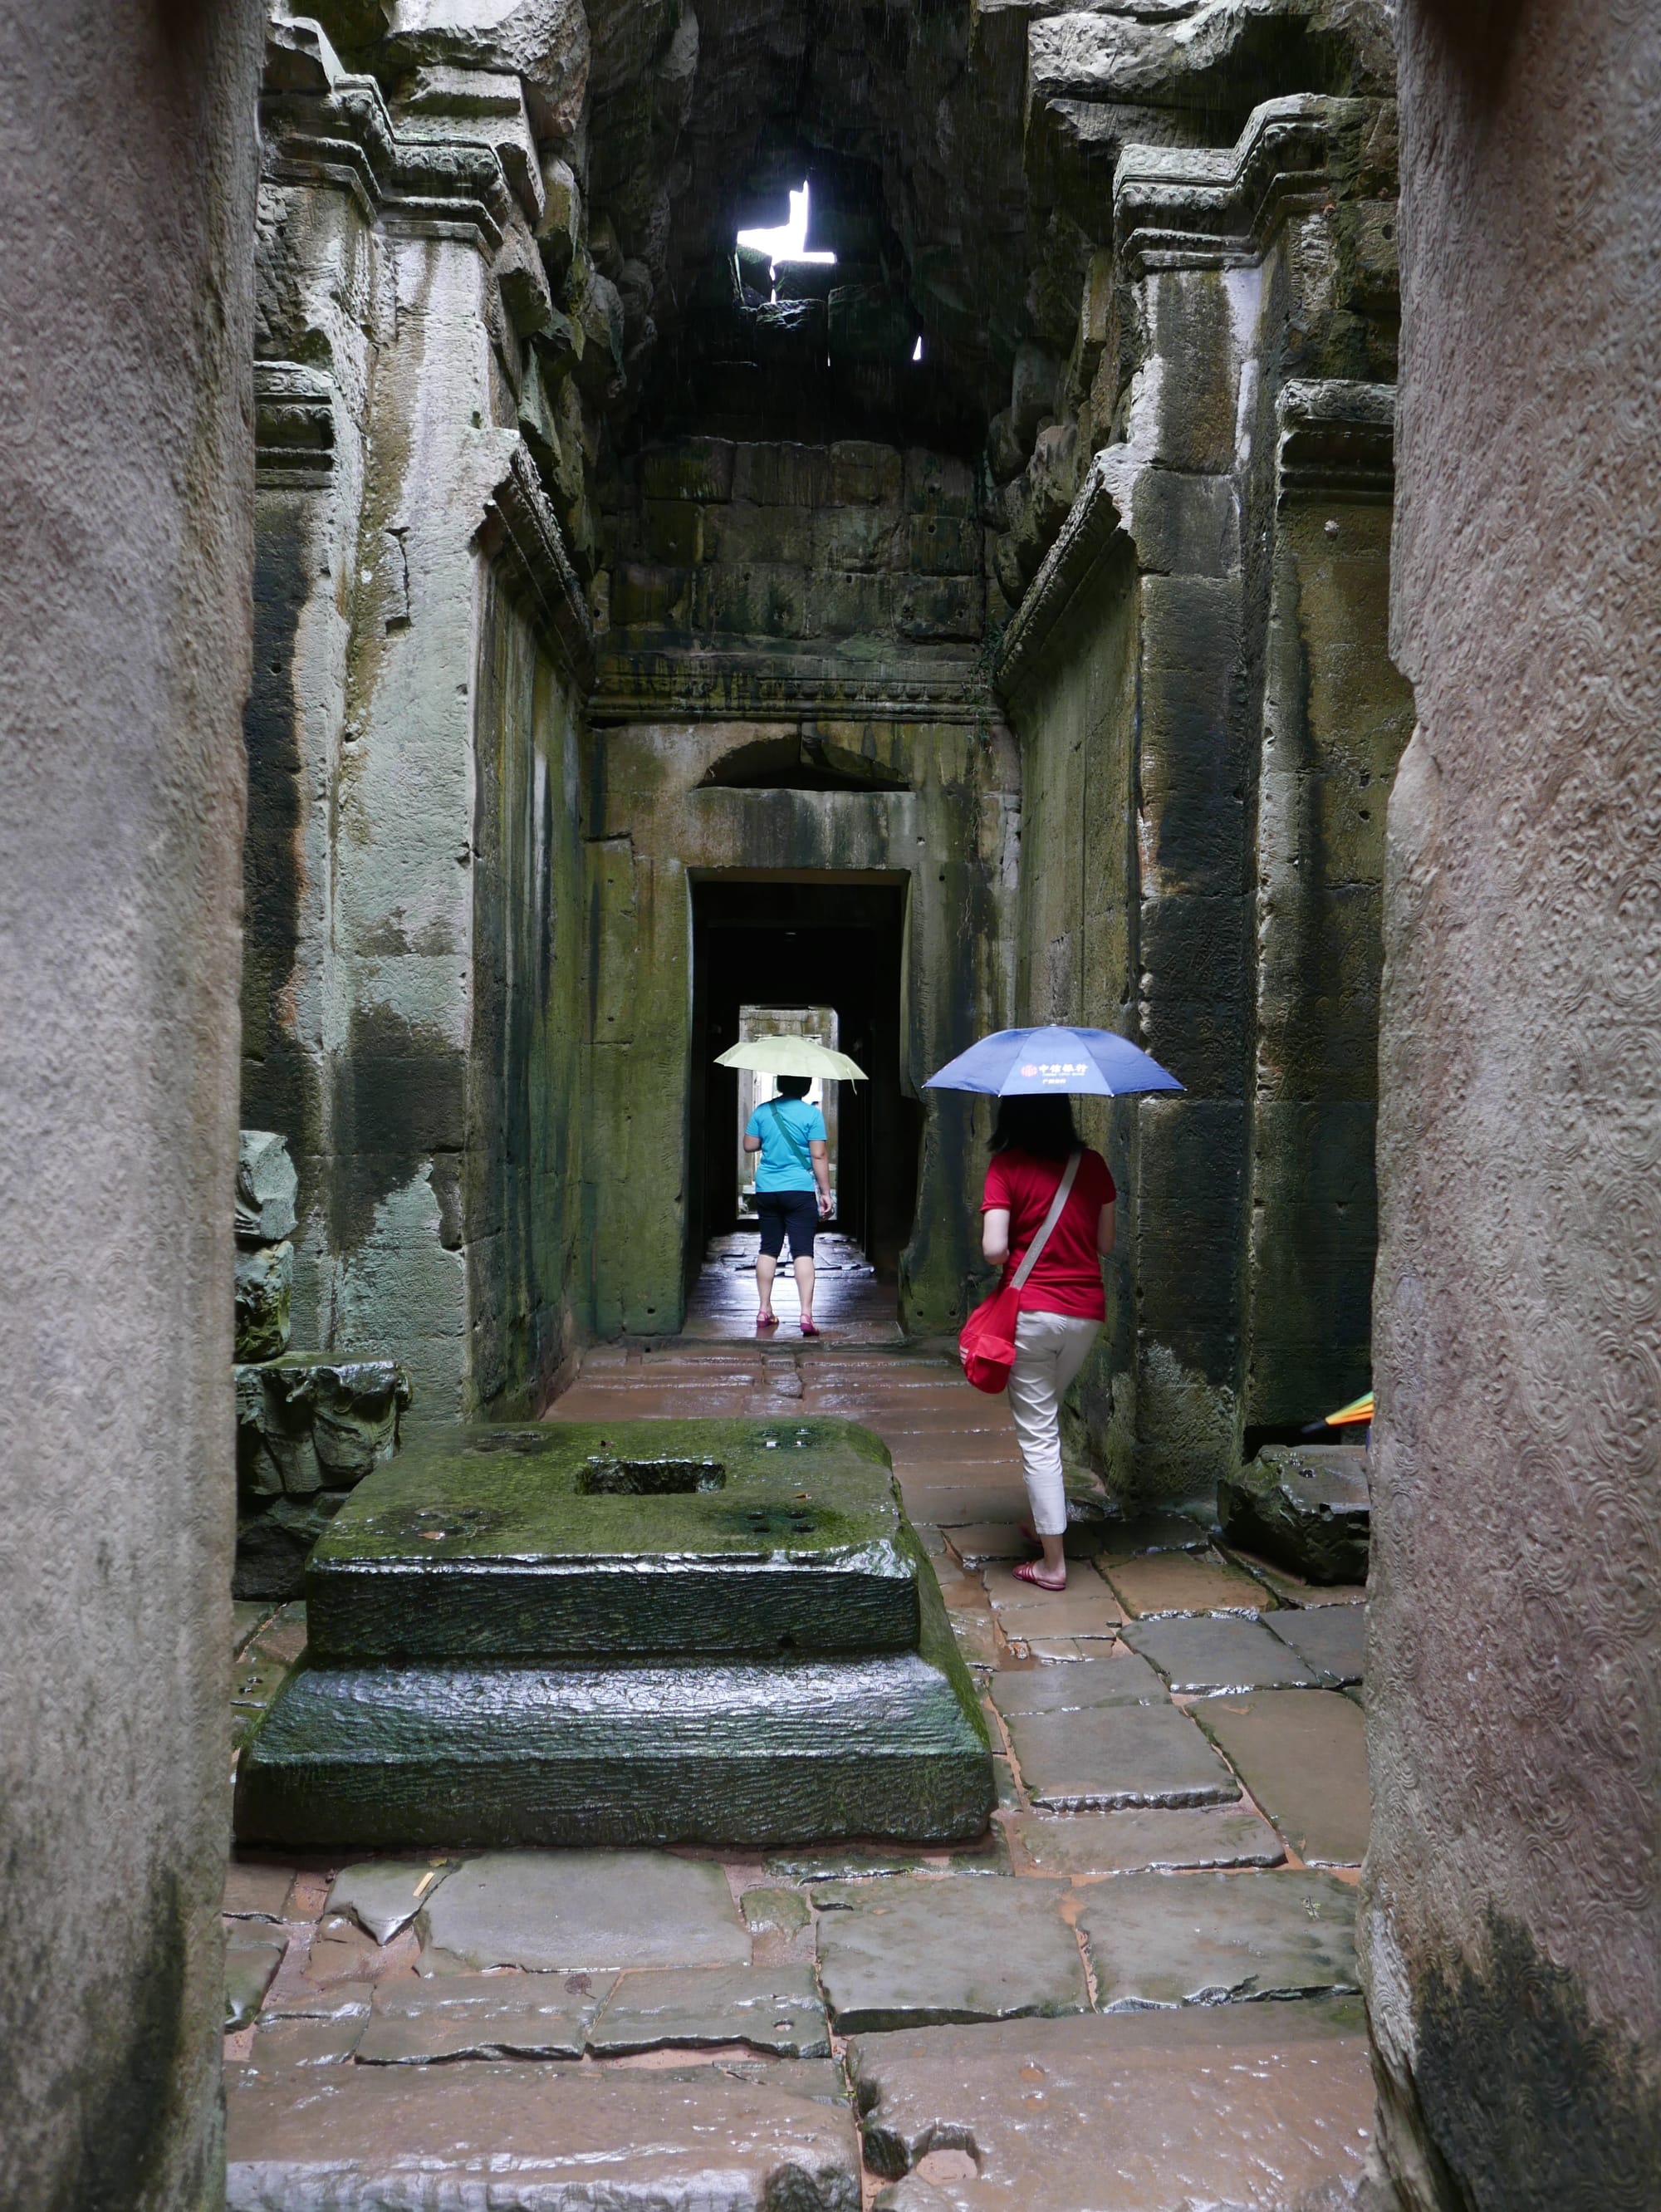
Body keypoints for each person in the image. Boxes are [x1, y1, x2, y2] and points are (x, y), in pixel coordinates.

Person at [981, 1093, 1116, 1589]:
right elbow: (1105, 1244)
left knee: (1038, 1432)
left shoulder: (1006, 1167)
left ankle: (1053, 1564)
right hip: (1084, 1314)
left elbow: (994, 1249)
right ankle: (1045, 1520)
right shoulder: (1092, 1164)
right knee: (1045, 1414)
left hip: (1032, 1313)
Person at [744, 1074, 833, 1337]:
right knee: (803, 1251)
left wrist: (769, 1137)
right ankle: (806, 1314)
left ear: (780, 1084)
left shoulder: (763, 1111)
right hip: (799, 1189)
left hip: (767, 1189)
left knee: (768, 1248)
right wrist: (826, 1193)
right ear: (806, 1086)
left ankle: (764, 1310)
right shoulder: (812, 1115)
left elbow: (749, 1145)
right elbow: (818, 1154)